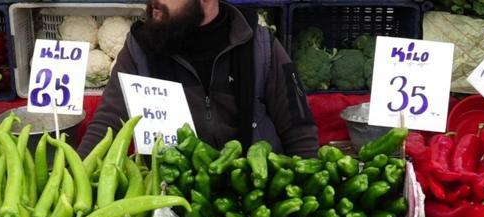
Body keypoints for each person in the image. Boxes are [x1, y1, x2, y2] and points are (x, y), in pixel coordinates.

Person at [78, 0, 319, 157]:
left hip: (254, 205)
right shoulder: (140, 49)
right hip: (172, 202)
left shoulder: (260, 45)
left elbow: (299, 131)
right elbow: (106, 124)